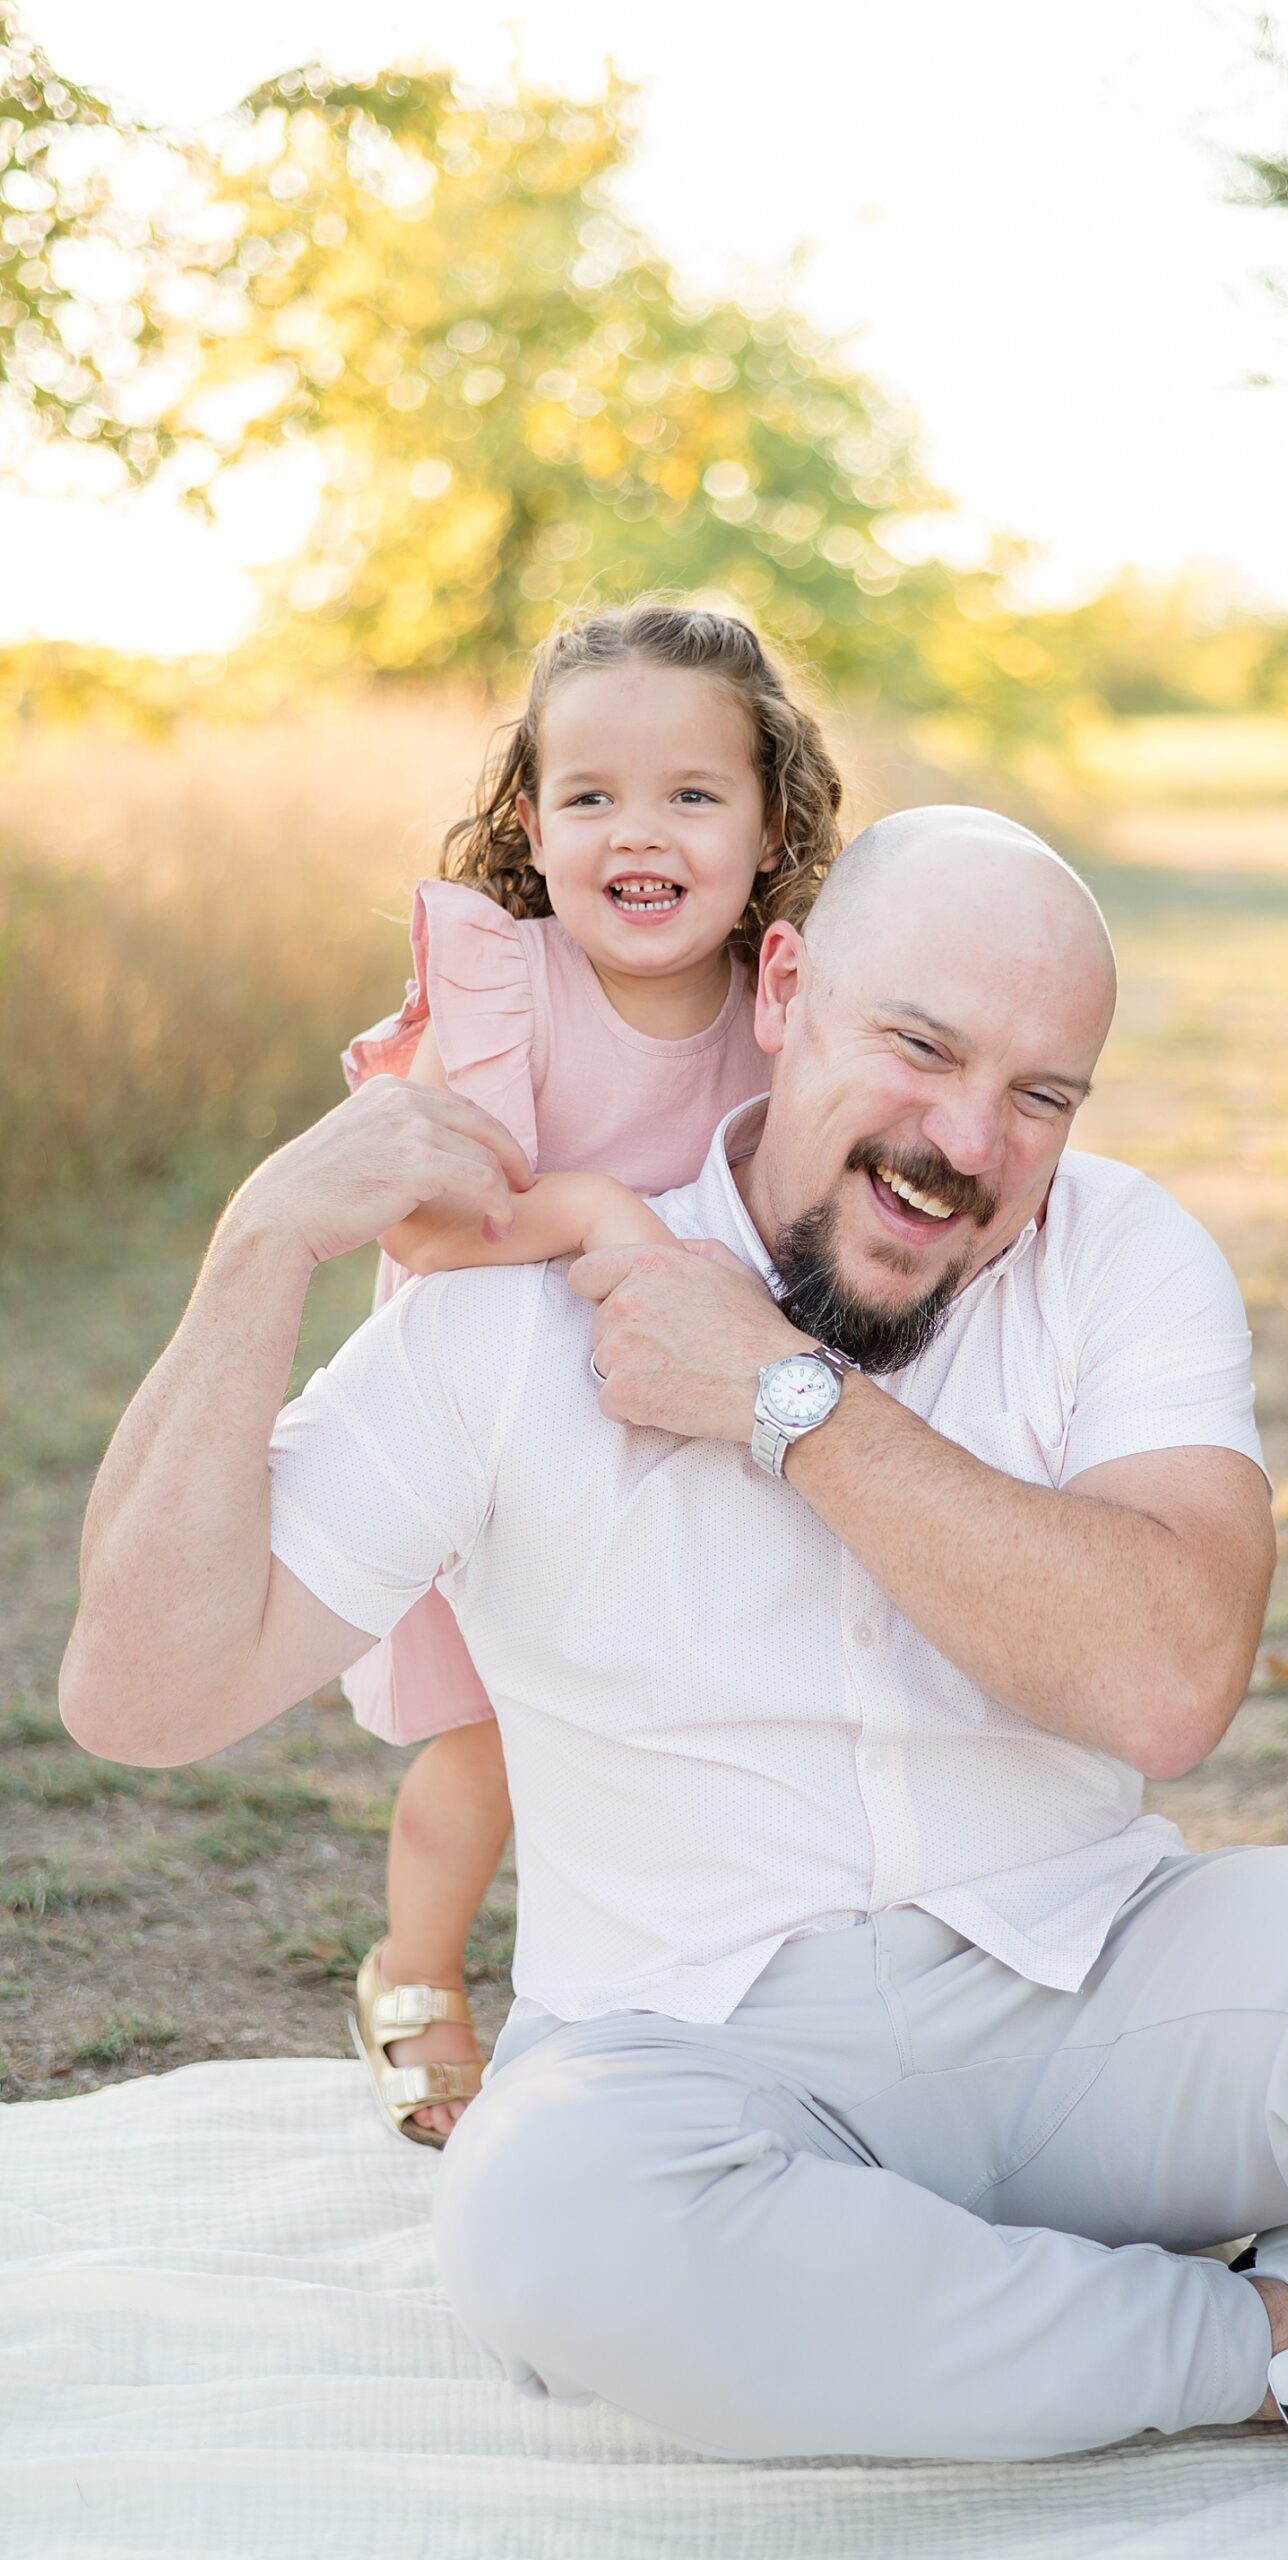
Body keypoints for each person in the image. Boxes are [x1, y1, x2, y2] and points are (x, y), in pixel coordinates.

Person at [61, 808, 1288, 2560]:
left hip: (1093, 2001)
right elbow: (141, 1698)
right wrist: (258, 1247)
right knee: (541, 2219)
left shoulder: (1124, 1256)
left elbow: (1168, 1680)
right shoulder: (506, 1319)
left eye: (1043, 1095)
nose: (967, 1142)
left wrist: (787, 1398)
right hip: (687, 2056)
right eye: (919, 1047)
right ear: (784, 989)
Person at [336, 597, 843, 2142]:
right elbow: (426, 1222)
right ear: (529, 821)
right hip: (507, 1420)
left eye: (693, 794)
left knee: (704, 1720)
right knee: (484, 1748)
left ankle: (689, 1999)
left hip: (691, 1404)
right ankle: (413, 1967)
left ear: (770, 825)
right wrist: (604, 1213)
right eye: (592, 796)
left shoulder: (789, 1000)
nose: (643, 831)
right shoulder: (509, 987)